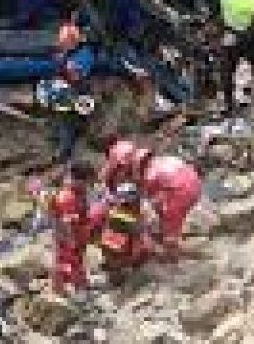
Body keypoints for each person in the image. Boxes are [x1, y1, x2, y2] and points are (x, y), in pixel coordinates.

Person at [100, 140, 202, 262]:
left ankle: (176, 255)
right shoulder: (157, 163)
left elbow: (147, 208)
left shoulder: (148, 177)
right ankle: (175, 250)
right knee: (159, 226)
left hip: (179, 191)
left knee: (166, 233)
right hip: (191, 182)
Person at [49, 19, 95, 162]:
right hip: (67, 89)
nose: (63, 46)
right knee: (63, 118)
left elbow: (76, 75)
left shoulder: (84, 54)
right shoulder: (68, 53)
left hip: (79, 90)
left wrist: (63, 66)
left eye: (65, 43)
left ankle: (65, 151)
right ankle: (64, 140)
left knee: (68, 120)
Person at [48, 160, 95, 294]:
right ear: (80, 180)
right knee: (67, 262)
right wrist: (72, 240)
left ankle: (79, 284)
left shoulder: (78, 191)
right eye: (88, 181)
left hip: (76, 233)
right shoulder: (68, 197)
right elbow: (69, 223)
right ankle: (64, 291)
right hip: (67, 236)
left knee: (76, 260)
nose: (89, 185)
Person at [92, 182, 153, 273]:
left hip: (127, 245)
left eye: (128, 203)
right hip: (113, 241)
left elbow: (145, 225)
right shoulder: (110, 209)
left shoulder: (142, 208)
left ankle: (123, 266)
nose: (125, 205)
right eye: (124, 203)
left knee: (145, 246)